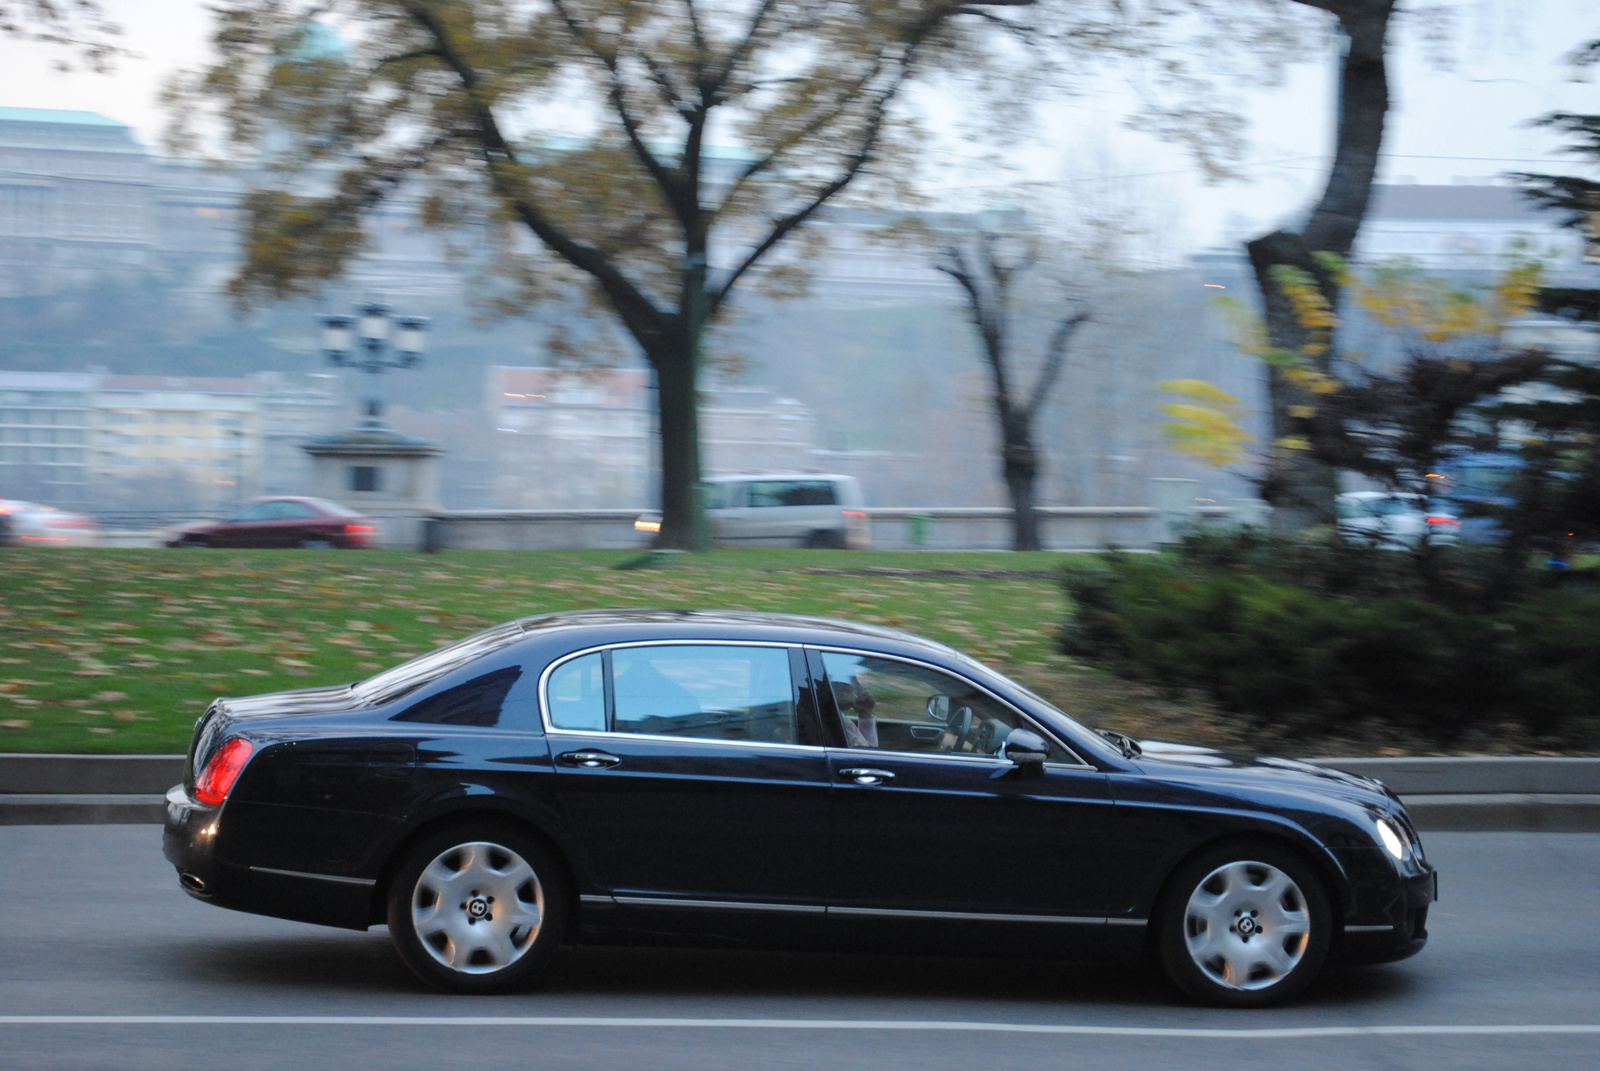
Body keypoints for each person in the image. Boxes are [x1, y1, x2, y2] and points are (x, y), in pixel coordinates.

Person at [833, 678, 879, 748]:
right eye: (852, 681)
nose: (859, 688)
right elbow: (867, 754)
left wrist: (866, 714)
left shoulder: (837, 716)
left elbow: (867, 750)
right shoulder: (840, 723)